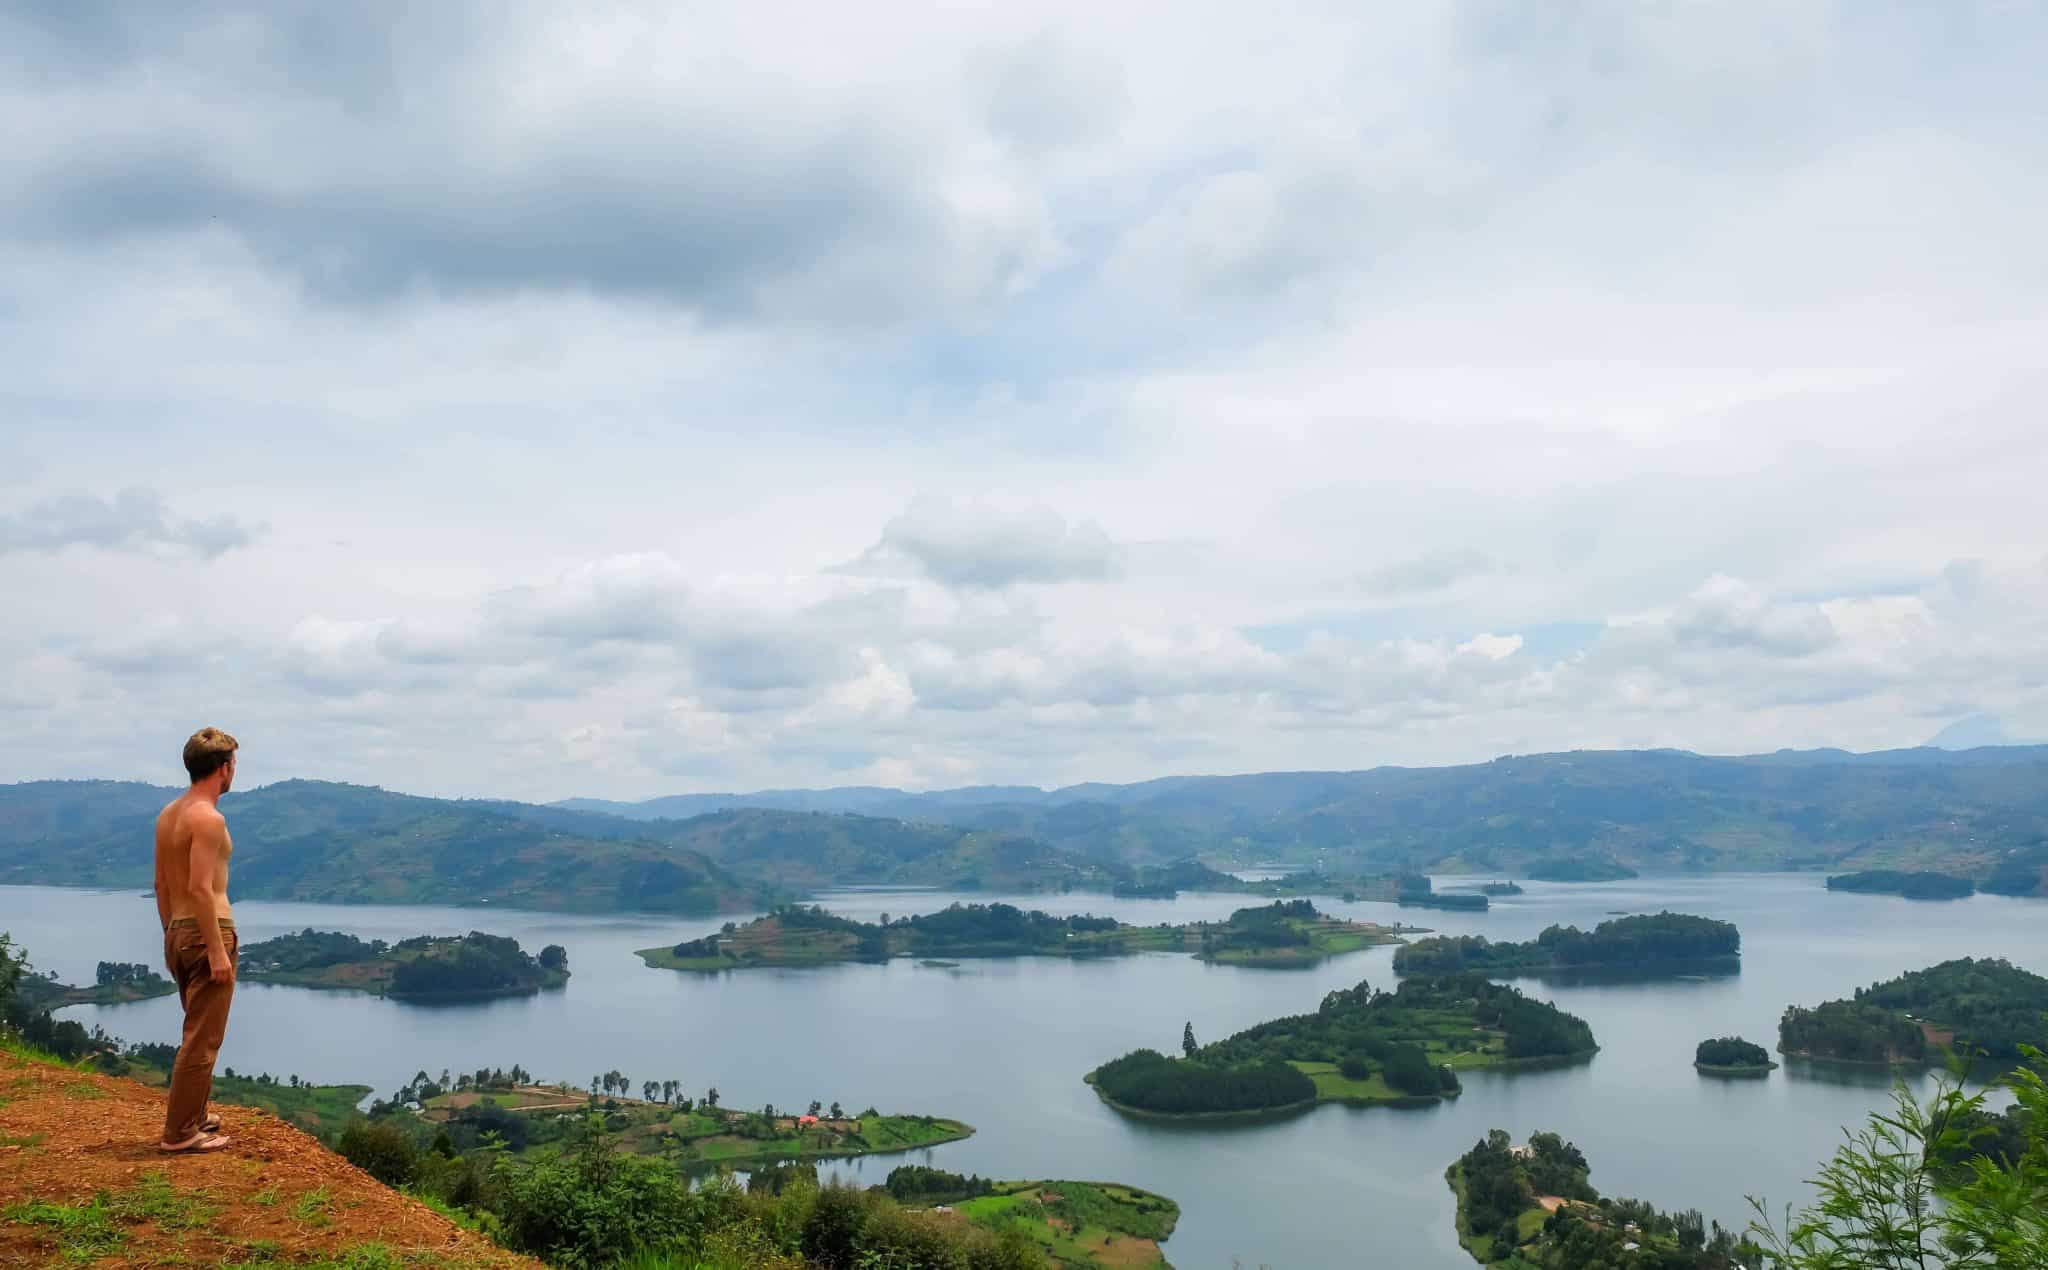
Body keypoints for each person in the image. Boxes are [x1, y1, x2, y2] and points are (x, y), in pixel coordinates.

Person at [154, 727, 240, 1153]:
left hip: (178, 931)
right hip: (209, 932)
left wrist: (173, 933)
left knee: (197, 1028)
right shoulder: (209, 818)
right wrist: (216, 949)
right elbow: (202, 888)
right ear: (224, 768)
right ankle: (180, 1133)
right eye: (233, 765)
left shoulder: (169, 815)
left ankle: (196, 1113)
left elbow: (161, 885)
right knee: (203, 1038)